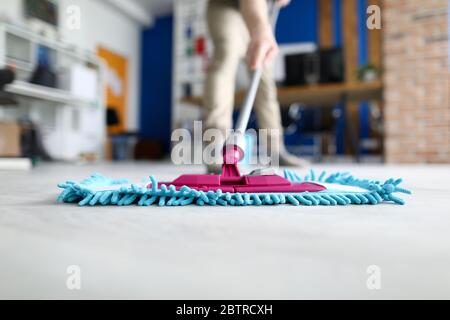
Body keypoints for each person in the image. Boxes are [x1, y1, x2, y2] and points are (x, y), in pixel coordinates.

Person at [203, 0, 309, 172]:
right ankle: (216, 149)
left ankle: (275, 151)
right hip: (224, 5)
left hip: (262, 7)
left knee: (264, 74)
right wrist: (260, 28)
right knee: (226, 56)